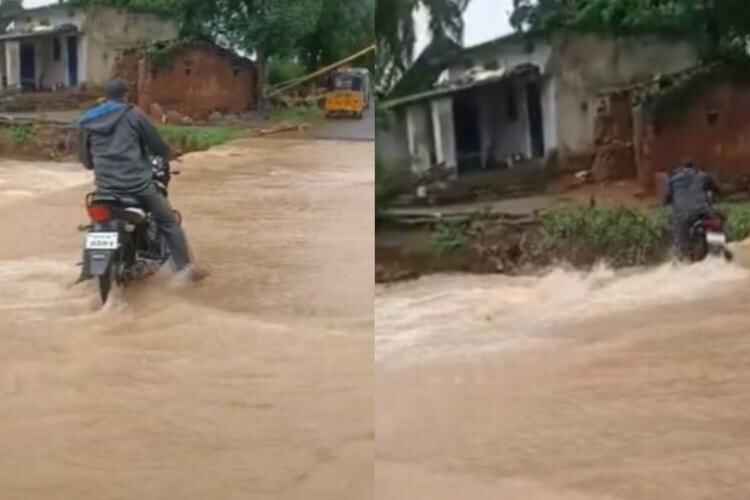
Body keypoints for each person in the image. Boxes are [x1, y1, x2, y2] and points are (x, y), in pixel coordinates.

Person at [77, 79, 206, 282]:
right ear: (125, 95)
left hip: (105, 190)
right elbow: (156, 145)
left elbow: (86, 160)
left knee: (96, 223)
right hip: (137, 186)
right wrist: (168, 154)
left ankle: (86, 273)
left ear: (106, 96)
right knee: (168, 222)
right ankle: (187, 271)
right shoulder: (133, 114)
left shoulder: (88, 120)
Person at [663, 160, 721, 259]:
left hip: (682, 215)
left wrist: (668, 202)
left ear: (682, 168)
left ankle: (682, 255)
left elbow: (667, 198)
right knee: (716, 226)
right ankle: (720, 250)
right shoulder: (703, 176)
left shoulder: (673, 180)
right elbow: (717, 189)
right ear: (694, 167)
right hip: (703, 211)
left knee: (680, 241)